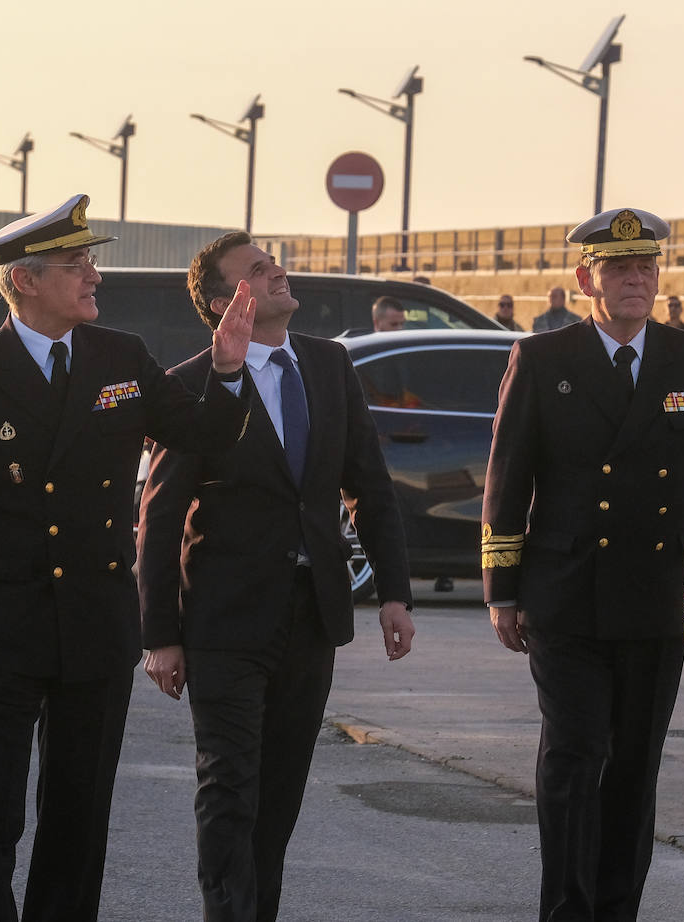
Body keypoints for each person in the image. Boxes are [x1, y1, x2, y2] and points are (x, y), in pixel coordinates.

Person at [0, 194, 258, 922]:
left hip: (96, 626)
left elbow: (202, 435)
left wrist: (227, 370)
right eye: (78, 265)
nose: (95, 276)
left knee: (78, 819)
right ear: (27, 282)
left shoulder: (120, 356)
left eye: (91, 261)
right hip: (2, 628)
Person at [137, 232, 415, 922]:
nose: (276, 272)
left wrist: (396, 594)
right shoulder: (189, 386)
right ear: (220, 300)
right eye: (256, 270)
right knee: (231, 786)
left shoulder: (327, 365)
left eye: (272, 262)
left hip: (310, 616)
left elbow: (369, 488)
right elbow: (160, 518)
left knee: (281, 793)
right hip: (224, 623)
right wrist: (160, 635)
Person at [482, 207, 684, 922]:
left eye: (645, 268)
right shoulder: (543, 358)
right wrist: (503, 589)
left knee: (632, 772)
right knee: (574, 755)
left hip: (655, 602)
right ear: (585, 278)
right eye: (619, 269)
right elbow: (508, 478)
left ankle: (617, 908)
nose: (634, 281)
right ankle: (567, 909)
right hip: (566, 597)